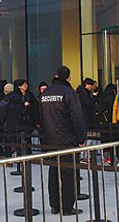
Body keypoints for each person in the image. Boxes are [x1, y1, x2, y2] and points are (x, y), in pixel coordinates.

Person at [40, 66, 86, 216]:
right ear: (68, 78)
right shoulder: (68, 93)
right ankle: (67, 207)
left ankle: (54, 205)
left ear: (55, 76)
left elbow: (41, 119)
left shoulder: (45, 93)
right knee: (68, 174)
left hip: (50, 140)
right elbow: (77, 117)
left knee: (53, 172)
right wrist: (81, 138)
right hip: (67, 140)